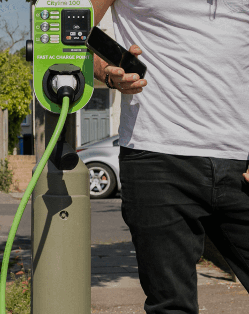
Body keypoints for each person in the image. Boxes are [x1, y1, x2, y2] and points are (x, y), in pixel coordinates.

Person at [90, 0, 249, 312]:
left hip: (240, 158)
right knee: (172, 305)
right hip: (156, 156)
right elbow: (63, 29)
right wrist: (108, 72)